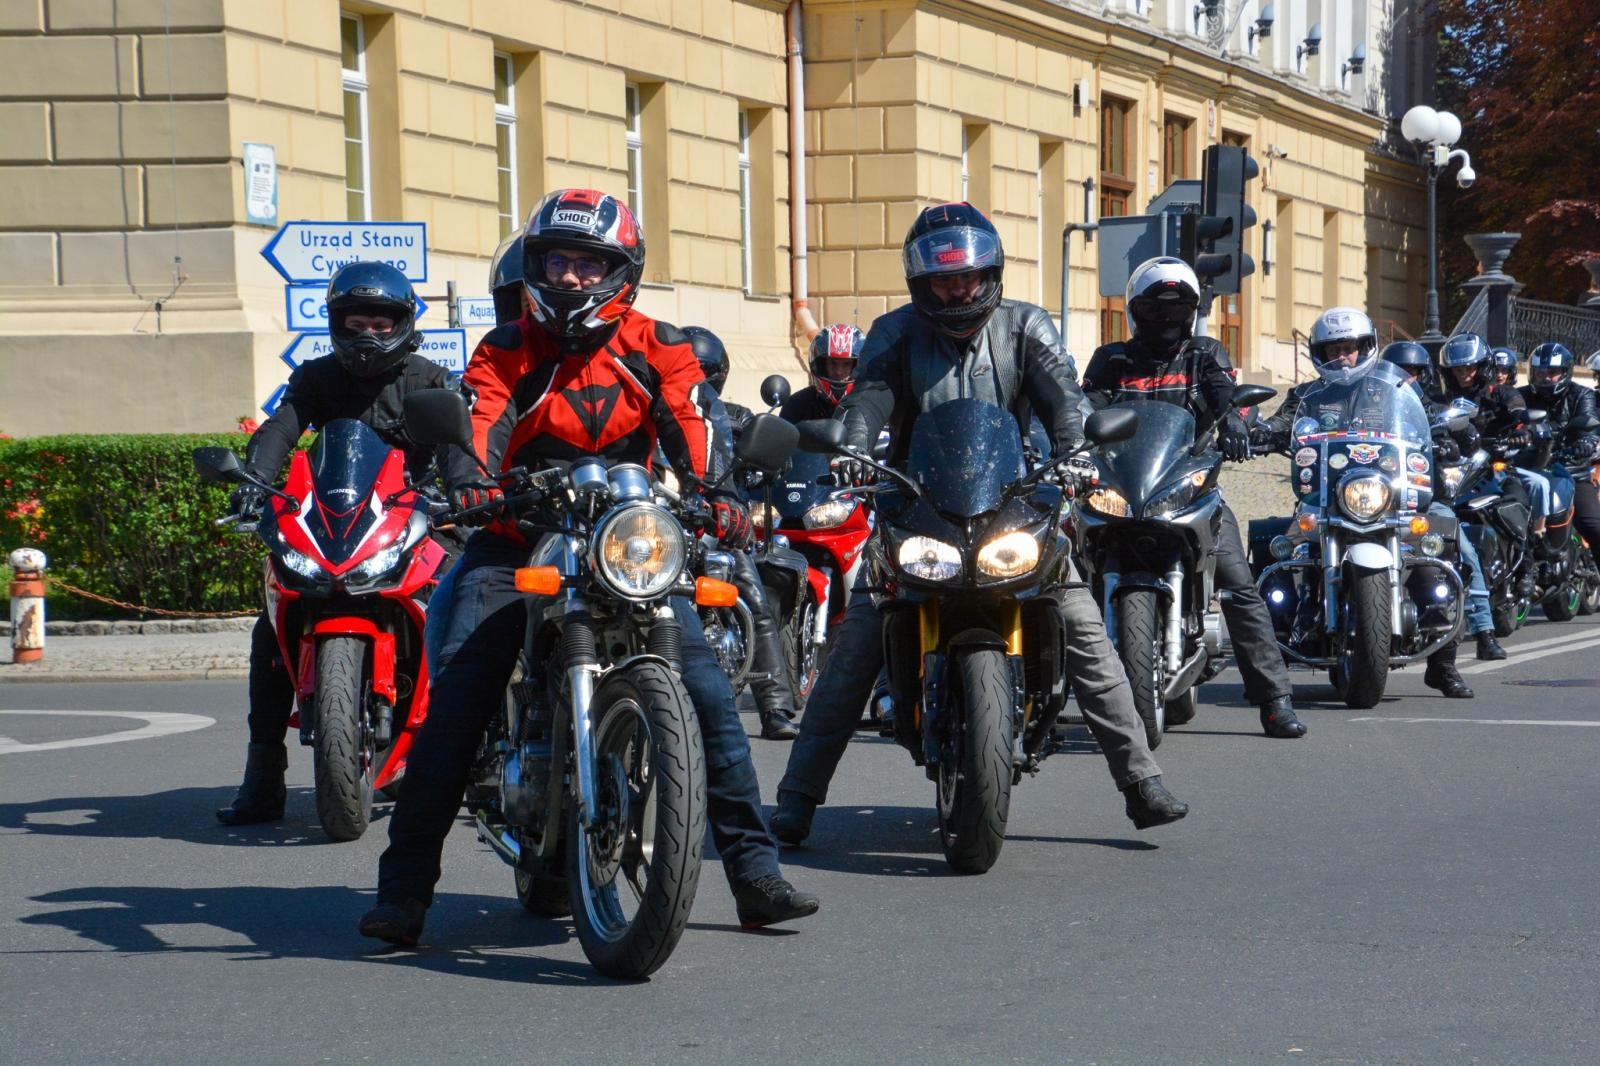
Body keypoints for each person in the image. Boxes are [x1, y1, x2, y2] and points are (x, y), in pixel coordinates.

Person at [359, 189, 817, 945]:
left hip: (626, 543)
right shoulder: (504, 349)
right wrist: (471, 477)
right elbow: (478, 415)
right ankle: (405, 890)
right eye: (557, 262)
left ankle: (755, 877)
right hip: (515, 538)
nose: (571, 278)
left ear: (621, 271)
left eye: (588, 263)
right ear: (536, 267)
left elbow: (693, 422)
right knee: (460, 699)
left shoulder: (657, 344)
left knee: (705, 696)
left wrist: (720, 492)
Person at [769, 202, 1188, 845]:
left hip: (1014, 498)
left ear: (990, 271)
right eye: (943, 280)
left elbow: (1063, 398)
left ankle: (1140, 781)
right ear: (921, 282)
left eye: (967, 276)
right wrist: (852, 453)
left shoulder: (1026, 327)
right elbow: (870, 398)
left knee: (1082, 627)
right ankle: (798, 797)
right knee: (856, 645)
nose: (957, 289)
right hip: (918, 501)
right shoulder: (896, 333)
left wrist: (1078, 455)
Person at [216, 261, 462, 826]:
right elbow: (282, 429)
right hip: (335, 522)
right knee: (270, 626)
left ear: (403, 322)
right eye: (356, 322)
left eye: (381, 322)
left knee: (471, 612)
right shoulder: (317, 378)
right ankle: (263, 777)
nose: (368, 333)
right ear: (336, 323)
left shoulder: (429, 381)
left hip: (416, 519)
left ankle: (484, 759)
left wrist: (468, 491)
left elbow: (454, 446)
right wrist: (255, 487)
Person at [1083, 258, 1305, 739]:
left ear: (1191, 313)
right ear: (1134, 312)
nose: (1165, 319)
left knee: (1239, 586)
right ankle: (1044, 694)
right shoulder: (1111, 360)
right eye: (1154, 310)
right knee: (1063, 573)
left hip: (1189, 488)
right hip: (1120, 490)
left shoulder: (1203, 353)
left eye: (1176, 309)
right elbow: (1083, 411)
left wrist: (1236, 424)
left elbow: (1227, 394)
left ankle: (1275, 700)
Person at [682, 324, 802, 740]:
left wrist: (733, 503)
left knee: (752, 593)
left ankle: (775, 708)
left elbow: (763, 466)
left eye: (702, 369)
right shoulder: (652, 406)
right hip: (664, 517)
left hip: (716, 520)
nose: (694, 376)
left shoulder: (732, 416)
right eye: (687, 366)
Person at [1380, 341, 1492, 690]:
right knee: (1286, 545)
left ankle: (1459, 651)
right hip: (1364, 501)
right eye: (1399, 370)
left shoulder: (1430, 409)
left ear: (1423, 374)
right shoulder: (1367, 406)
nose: (1406, 378)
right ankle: (1266, 666)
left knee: (1456, 557)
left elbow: (1452, 434)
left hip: (1421, 503)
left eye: (1412, 372)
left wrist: (1448, 444)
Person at [1522, 342, 1600, 571]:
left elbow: (1589, 425)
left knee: (1596, 529)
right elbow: (1507, 420)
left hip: (1570, 471)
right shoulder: (1521, 396)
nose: (1546, 378)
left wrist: (1586, 442)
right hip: (1529, 469)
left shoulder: (1581, 394)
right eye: (1540, 372)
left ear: (1565, 373)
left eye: (1552, 373)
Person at [780, 323, 865, 422]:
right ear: (822, 365)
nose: (838, 371)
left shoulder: (872, 405)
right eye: (833, 363)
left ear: (856, 366)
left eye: (846, 364)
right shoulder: (797, 404)